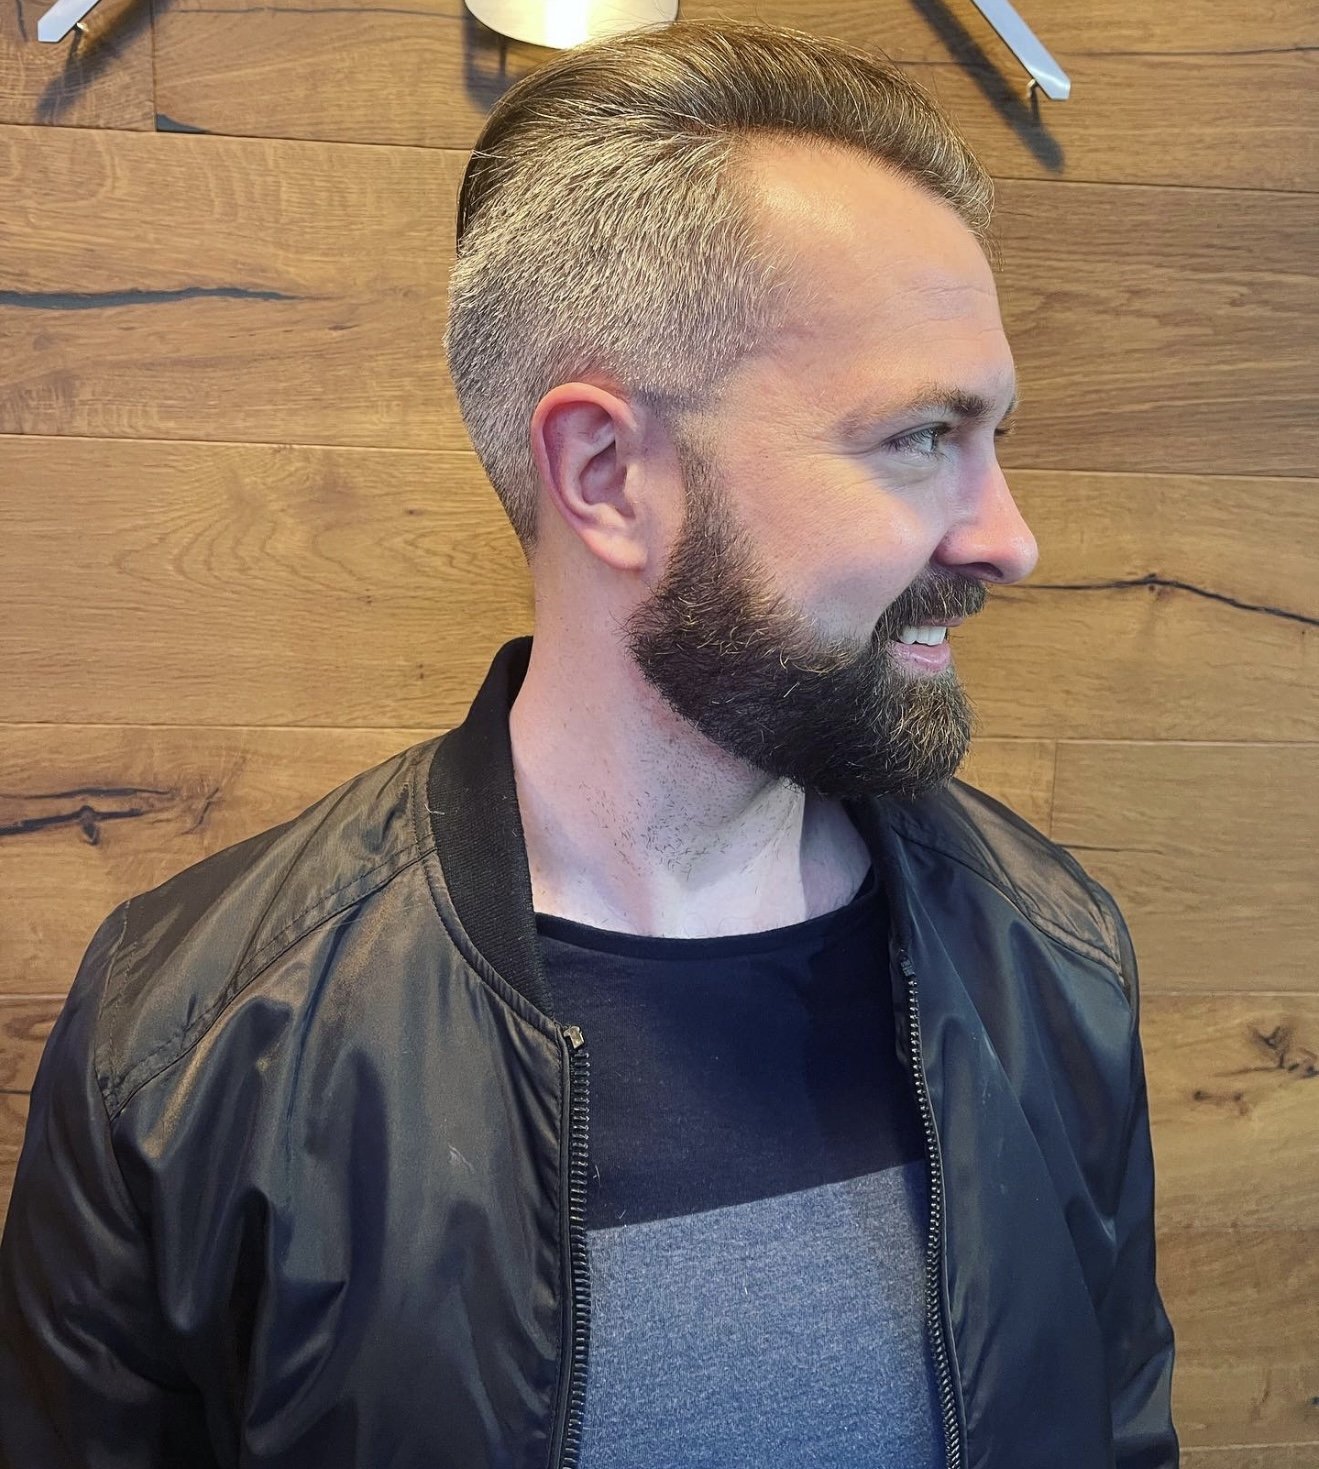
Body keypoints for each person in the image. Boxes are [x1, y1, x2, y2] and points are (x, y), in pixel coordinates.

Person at [0, 18, 1178, 1468]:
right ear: (608, 473)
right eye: (921, 437)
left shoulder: (1053, 964)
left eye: (993, 435)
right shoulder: (191, 1048)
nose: (1010, 538)